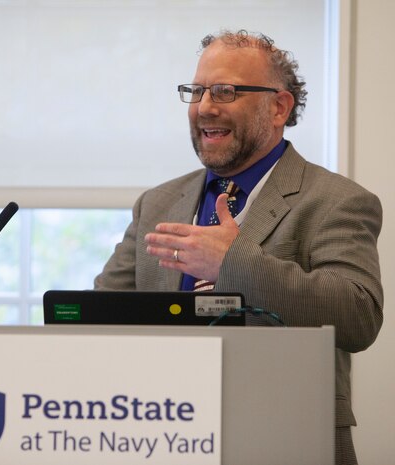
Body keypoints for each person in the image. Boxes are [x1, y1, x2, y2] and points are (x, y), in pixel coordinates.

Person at [94, 30, 383, 465]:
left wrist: (234, 263)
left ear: (278, 107)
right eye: (197, 91)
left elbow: (357, 316)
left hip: (287, 438)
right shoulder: (157, 203)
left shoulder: (335, 200)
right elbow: (96, 319)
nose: (205, 106)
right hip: (164, 435)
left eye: (226, 91)